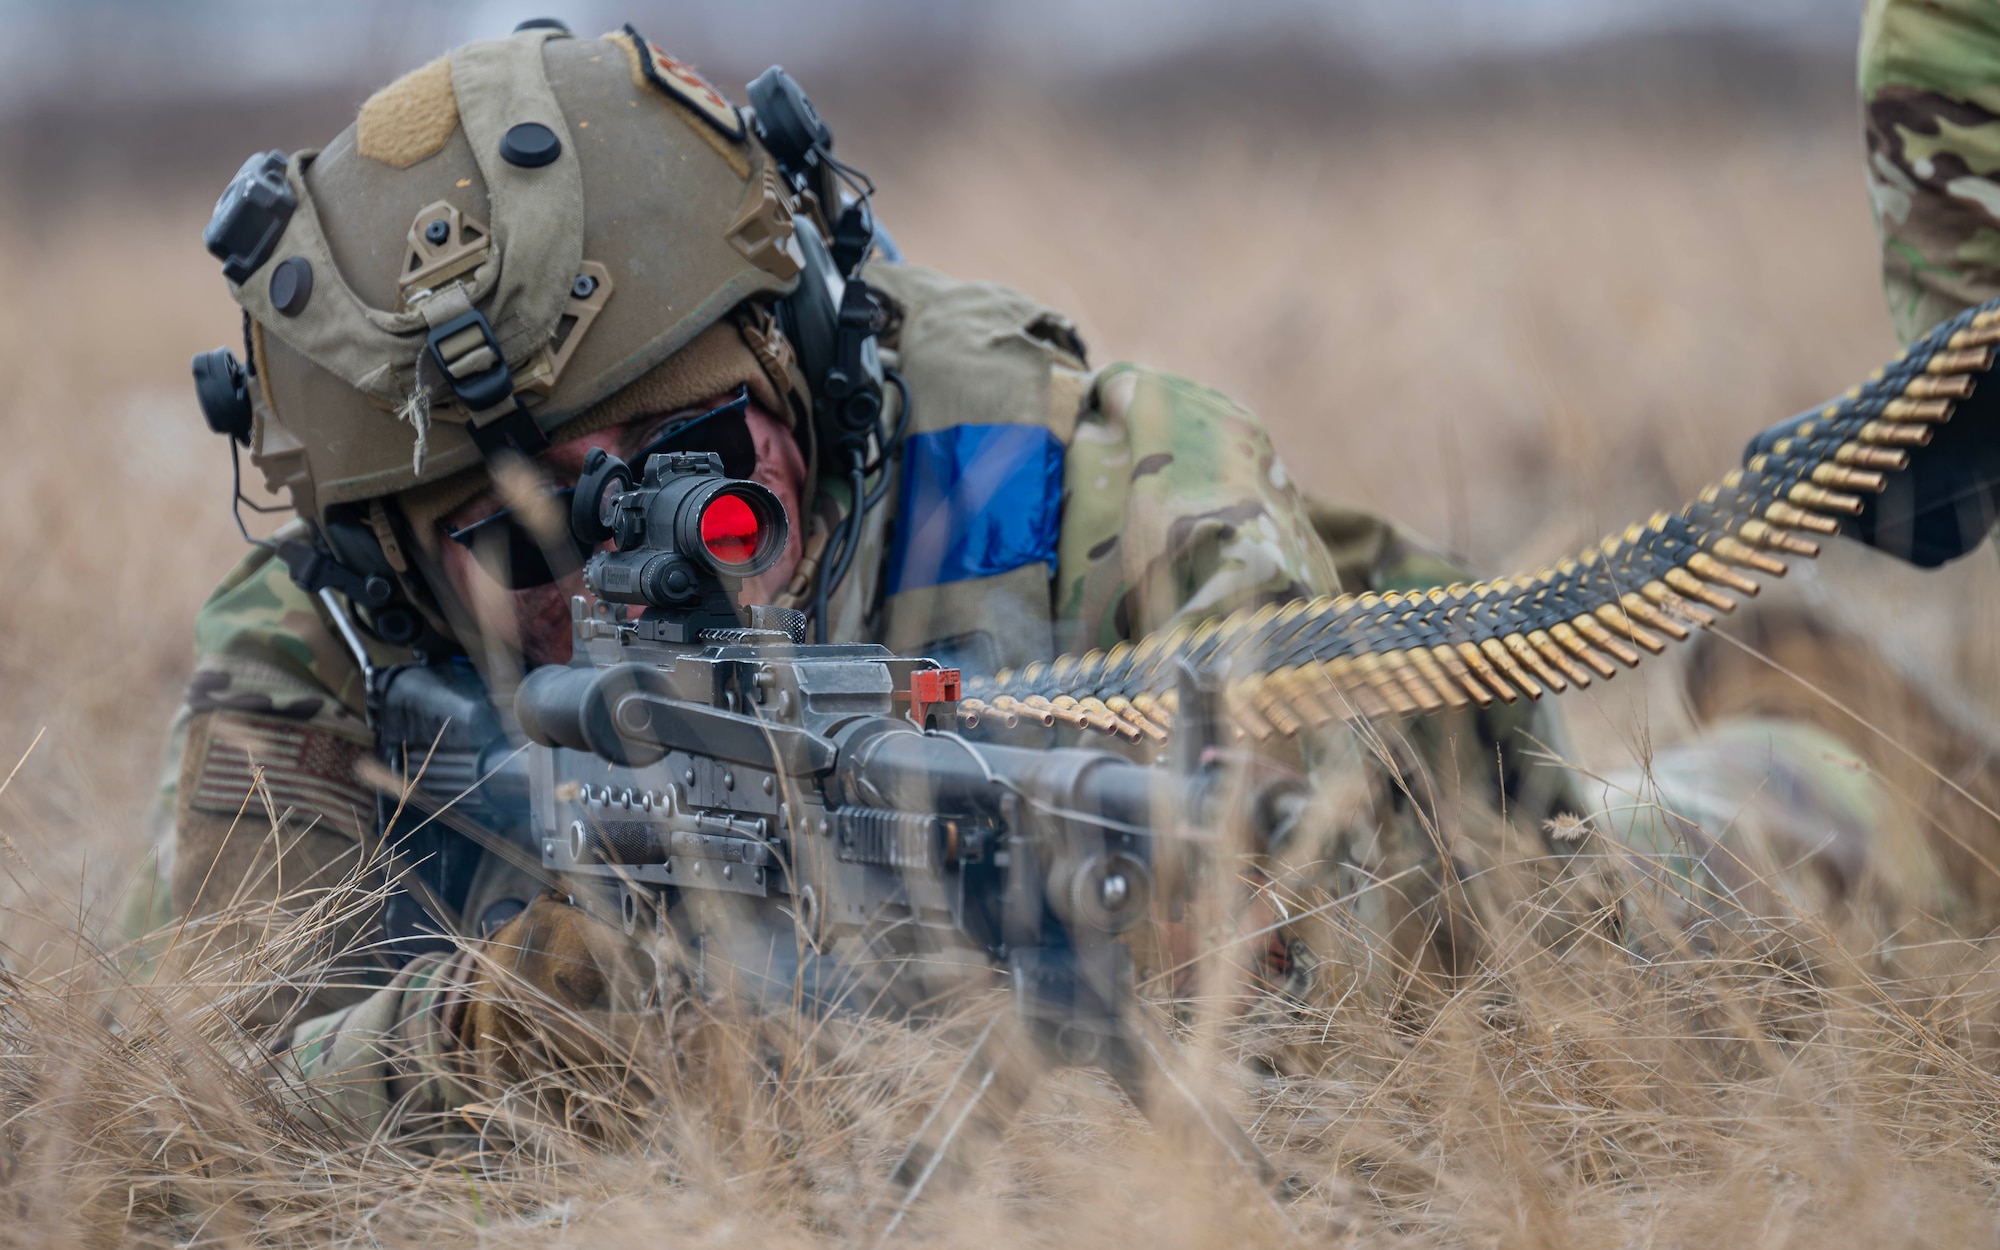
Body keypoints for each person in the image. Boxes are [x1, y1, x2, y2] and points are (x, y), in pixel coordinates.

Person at [140, 21, 1571, 1145]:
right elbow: (175, 1107)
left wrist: (1147, 959)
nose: (636, 551)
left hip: (1474, 816)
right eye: (519, 539)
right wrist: (475, 1035)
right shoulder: (328, 649)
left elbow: (1355, 950)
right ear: (393, 573)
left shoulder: (1097, 477)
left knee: (1691, 885)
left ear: (803, 361)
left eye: (695, 457)